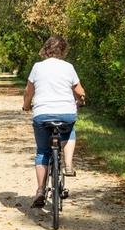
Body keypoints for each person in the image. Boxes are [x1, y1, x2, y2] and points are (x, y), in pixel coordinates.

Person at [22, 36, 86, 208]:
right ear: (63, 50)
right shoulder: (68, 67)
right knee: (70, 130)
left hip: (42, 115)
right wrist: (81, 101)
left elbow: (29, 92)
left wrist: (26, 106)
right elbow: (80, 92)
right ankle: (69, 164)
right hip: (66, 114)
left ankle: (41, 190)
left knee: (43, 150)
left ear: (46, 49)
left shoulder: (37, 67)